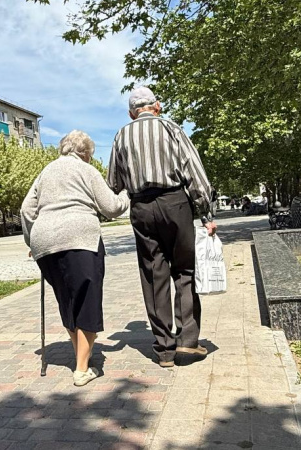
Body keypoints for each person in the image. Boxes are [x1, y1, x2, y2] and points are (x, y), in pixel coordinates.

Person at [107, 86, 216, 368]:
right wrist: (206, 214)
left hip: (141, 208)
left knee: (154, 275)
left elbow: (114, 183)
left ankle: (164, 350)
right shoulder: (171, 128)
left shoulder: (121, 135)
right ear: (157, 106)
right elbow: (194, 172)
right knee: (184, 269)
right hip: (175, 203)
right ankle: (188, 341)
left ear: (132, 113)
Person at [21, 130, 129, 386]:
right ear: (85, 153)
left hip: (45, 242)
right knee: (87, 301)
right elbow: (111, 208)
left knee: (67, 300)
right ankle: (81, 369)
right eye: (90, 155)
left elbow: (26, 209)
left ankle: (82, 356)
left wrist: (31, 240)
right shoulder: (86, 170)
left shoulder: (46, 171)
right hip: (80, 239)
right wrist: (126, 196)